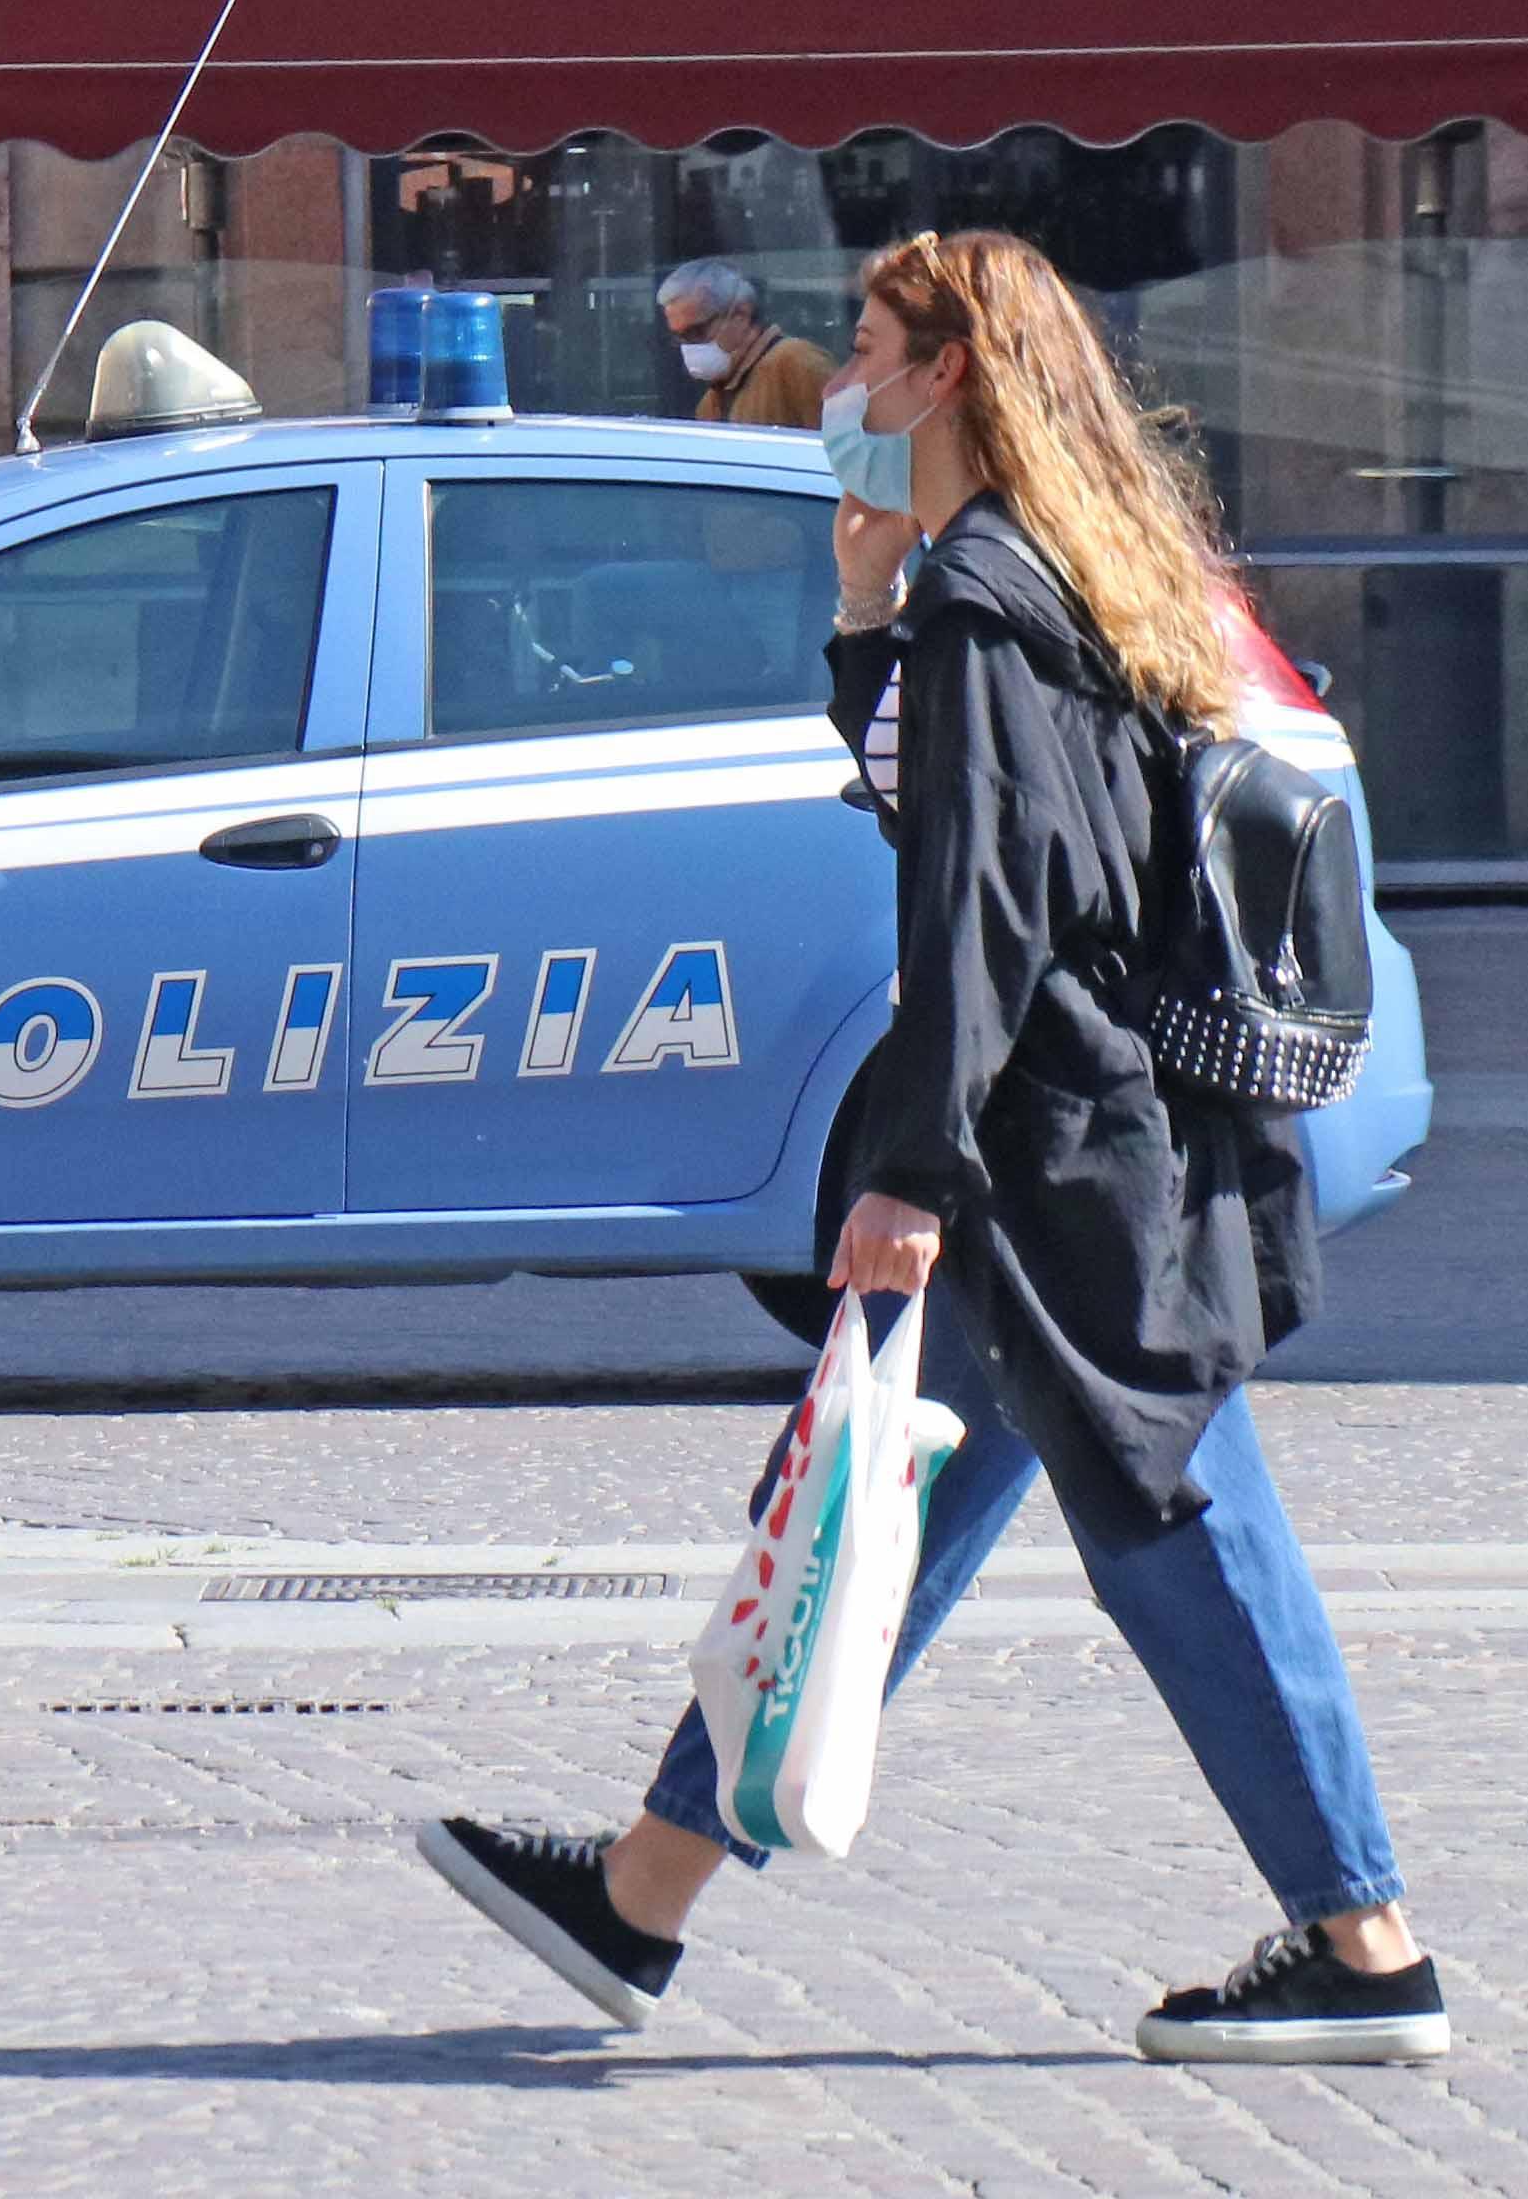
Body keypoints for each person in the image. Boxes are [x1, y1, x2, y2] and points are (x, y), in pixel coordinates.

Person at [420, 229, 1445, 2066]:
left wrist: (908, 1169)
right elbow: (957, 813)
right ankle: (644, 1893)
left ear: (949, 375)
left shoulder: (993, 595)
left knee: (1144, 1525)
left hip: (1053, 1153)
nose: (843, 388)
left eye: (874, 355)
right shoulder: (1043, 570)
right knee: (864, 1512)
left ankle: (1367, 1943)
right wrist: (861, 606)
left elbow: (977, 906)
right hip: (1091, 1139)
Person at [659, 257, 832, 430]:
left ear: (741, 314)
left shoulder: (796, 363)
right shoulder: (711, 403)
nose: (689, 346)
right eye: (680, 337)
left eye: (697, 332)